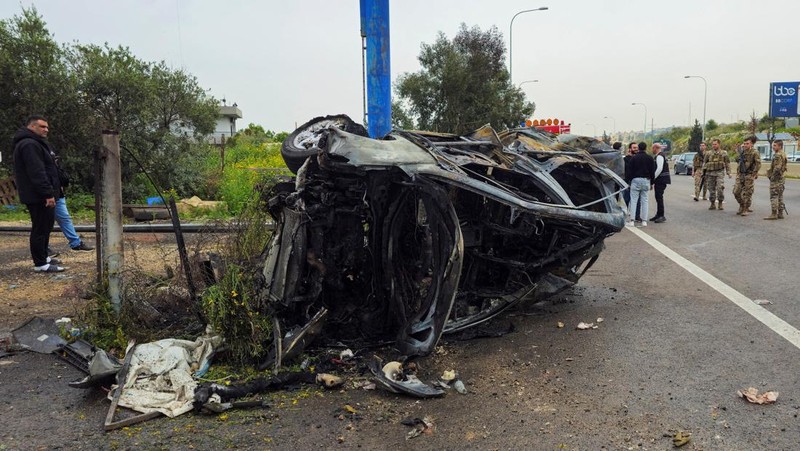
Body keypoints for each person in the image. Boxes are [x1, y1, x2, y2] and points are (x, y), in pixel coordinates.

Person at [12, 115, 65, 272]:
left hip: (41, 194)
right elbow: (37, 172)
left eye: (47, 127)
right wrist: (47, 194)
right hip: (38, 196)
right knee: (40, 228)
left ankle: (44, 257)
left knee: (46, 226)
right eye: (42, 127)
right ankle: (41, 264)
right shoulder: (29, 144)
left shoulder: (36, 143)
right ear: (32, 127)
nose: (46, 130)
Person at [50, 151, 94, 252]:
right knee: (45, 223)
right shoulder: (44, 169)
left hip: (58, 196)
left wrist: (57, 167)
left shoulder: (56, 169)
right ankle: (44, 249)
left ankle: (75, 243)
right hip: (48, 196)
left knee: (65, 219)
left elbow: (65, 180)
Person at [625, 142, 655, 227]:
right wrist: (652, 183)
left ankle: (632, 221)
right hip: (646, 180)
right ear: (646, 148)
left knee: (633, 201)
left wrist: (628, 181)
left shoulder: (634, 158)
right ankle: (644, 221)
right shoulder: (650, 158)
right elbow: (652, 171)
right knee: (645, 201)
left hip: (635, 180)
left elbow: (629, 171)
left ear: (639, 148)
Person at [732, 136, 761, 216]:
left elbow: (758, 164)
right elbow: (737, 160)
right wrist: (738, 152)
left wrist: (754, 173)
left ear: (751, 144)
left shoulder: (754, 152)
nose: (745, 145)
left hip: (749, 174)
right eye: (744, 143)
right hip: (740, 174)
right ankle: (741, 205)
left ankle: (745, 209)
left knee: (747, 193)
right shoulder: (742, 151)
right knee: (736, 191)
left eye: (747, 143)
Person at [702, 138, 731, 210]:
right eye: (713, 144)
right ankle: (712, 204)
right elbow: (705, 163)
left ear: (719, 144)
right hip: (710, 173)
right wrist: (703, 173)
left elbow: (727, 163)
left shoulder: (724, 153)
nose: (714, 145)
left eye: (715, 144)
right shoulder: (708, 153)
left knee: (720, 188)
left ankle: (720, 203)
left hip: (719, 173)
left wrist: (729, 172)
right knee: (711, 189)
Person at [764, 140, 788, 220]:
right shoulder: (783, 154)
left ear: (780, 146)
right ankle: (780, 213)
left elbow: (777, 168)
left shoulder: (777, 155)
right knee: (780, 196)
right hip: (781, 178)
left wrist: (772, 177)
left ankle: (774, 214)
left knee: (774, 196)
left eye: (775, 145)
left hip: (776, 179)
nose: (773, 147)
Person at [650, 143, 670, 223]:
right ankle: (658, 214)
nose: (652, 150)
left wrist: (653, 178)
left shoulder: (659, 156)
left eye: (652, 148)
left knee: (659, 197)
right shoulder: (661, 155)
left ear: (655, 148)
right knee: (658, 197)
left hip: (661, 180)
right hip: (661, 180)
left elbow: (659, 168)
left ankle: (661, 215)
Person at [622, 142, 642, 222]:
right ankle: (623, 216)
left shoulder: (639, 158)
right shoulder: (625, 159)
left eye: (637, 148)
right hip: (628, 182)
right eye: (634, 148)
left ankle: (637, 216)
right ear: (630, 149)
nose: (636, 149)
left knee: (638, 200)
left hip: (637, 182)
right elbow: (626, 170)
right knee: (626, 199)